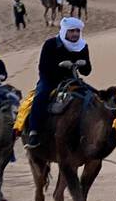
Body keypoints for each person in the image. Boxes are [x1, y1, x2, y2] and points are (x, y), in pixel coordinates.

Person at [23, 17, 91, 149]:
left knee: (94, 97)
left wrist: (83, 64)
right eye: (72, 31)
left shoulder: (82, 46)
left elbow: (87, 71)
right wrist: (60, 66)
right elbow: (43, 68)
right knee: (40, 97)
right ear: (65, 31)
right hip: (50, 81)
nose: (75, 34)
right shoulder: (50, 44)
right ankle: (34, 132)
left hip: (73, 81)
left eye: (77, 31)